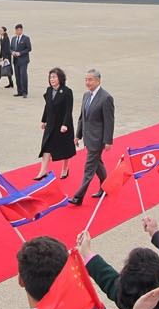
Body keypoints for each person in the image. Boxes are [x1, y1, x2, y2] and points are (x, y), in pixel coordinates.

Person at [70, 69, 114, 206]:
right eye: (86, 79)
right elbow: (82, 117)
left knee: (89, 169)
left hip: (98, 139)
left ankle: (78, 197)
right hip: (88, 138)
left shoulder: (106, 98)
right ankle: (106, 186)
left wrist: (108, 141)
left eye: (90, 80)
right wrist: (78, 135)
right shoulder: (86, 96)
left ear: (98, 80)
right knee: (97, 164)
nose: (87, 82)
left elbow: (109, 121)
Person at [35, 67, 75, 179]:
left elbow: (68, 110)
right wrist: (44, 120)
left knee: (65, 148)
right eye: (50, 77)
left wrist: (65, 125)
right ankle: (43, 171)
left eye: (54, 77)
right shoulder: (49, 90)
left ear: (60, 78)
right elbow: (47, 107)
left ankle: (65, 168)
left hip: (62, 124)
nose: (51, 79)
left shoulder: (67, 91)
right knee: (46, 147)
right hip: (51, 124)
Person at [10, 24, 32, 98]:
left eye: (18, 30)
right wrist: (12, 52)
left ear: (21, 30)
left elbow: (29, 48)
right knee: (17, 76)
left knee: (23, 76)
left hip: (23, 60)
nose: (17, 31)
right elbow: (10, 48)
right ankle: (19, 91)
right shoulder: (13, 39)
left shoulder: (26, 38)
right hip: (16, 60)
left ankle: (25, 92)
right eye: (16, 30)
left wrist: (20, 53)